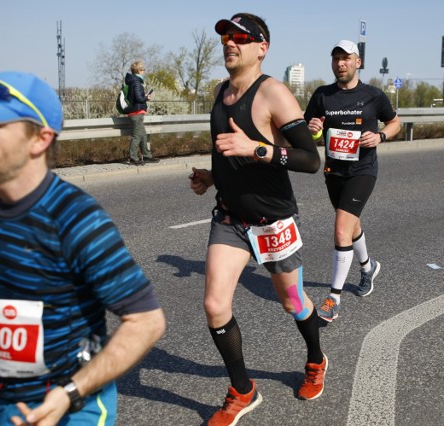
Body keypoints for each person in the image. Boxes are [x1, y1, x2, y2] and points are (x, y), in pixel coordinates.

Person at [0, 71, 166, 425]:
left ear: (40, 140)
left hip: (71, 406)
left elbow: (146, 321)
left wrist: (71, 392)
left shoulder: (76, 219)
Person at [189, 13, 327, 426]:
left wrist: (259, 149)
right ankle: (242, 390)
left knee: (293, 302)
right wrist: (211, 176)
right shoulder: (220, 92)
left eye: (240, 37)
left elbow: (310, 160)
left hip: (272, 222)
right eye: (226, 37)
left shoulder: (274, 95)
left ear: (262, 47)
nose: (230, 43)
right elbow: (226, 151)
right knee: (215, 305)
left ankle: (316, 359)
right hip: (230, 219)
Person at [304, 40, 401, 322]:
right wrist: (313, 130)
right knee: (352, 224)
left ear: (358, 62)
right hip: (334, 171)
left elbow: (395, 123)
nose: (340, 63)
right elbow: (309, 132)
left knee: (341, 229)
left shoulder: (373, 95)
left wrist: (380, 136)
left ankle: (333, 299)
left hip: (363, 169)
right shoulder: (322, 95)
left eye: (346, 58)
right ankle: (368, 267)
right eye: (336, 59)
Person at [126, 60, 159, 165]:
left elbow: (137, 97)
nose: (144, 70)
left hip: (137, 112)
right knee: (137, 136)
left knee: (143, 135)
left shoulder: (135, 81)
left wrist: (143, 96)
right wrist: (146, 97)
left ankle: (147, 156)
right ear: (138, 71)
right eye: (142, 69)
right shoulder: (136, 82)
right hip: (136, 113)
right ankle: (133, 157)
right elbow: (139, 98)